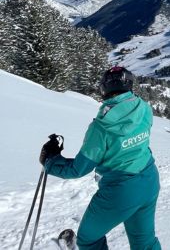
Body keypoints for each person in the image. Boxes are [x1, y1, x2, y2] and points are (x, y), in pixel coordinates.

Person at [39, 66, 161, 250]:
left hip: (121, 190)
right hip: (149, 179)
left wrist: (51, 161)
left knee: (89, 238)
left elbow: (78, 169)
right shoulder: (144, 108)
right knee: (145, 242)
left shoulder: (101, 128)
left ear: (104, 89)